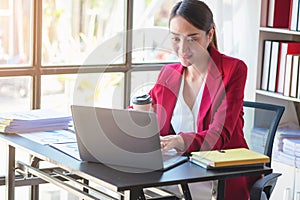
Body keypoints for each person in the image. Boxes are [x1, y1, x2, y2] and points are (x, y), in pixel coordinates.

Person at [147, 0, 258, 199]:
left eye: (192, 39)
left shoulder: (233, 70)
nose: (182, 49)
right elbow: (148, 113)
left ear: (210, 35)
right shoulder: (168, 74)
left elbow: (220, 134)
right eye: (176, 39)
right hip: (177, 172)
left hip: (217, 177)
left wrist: (178, 141)